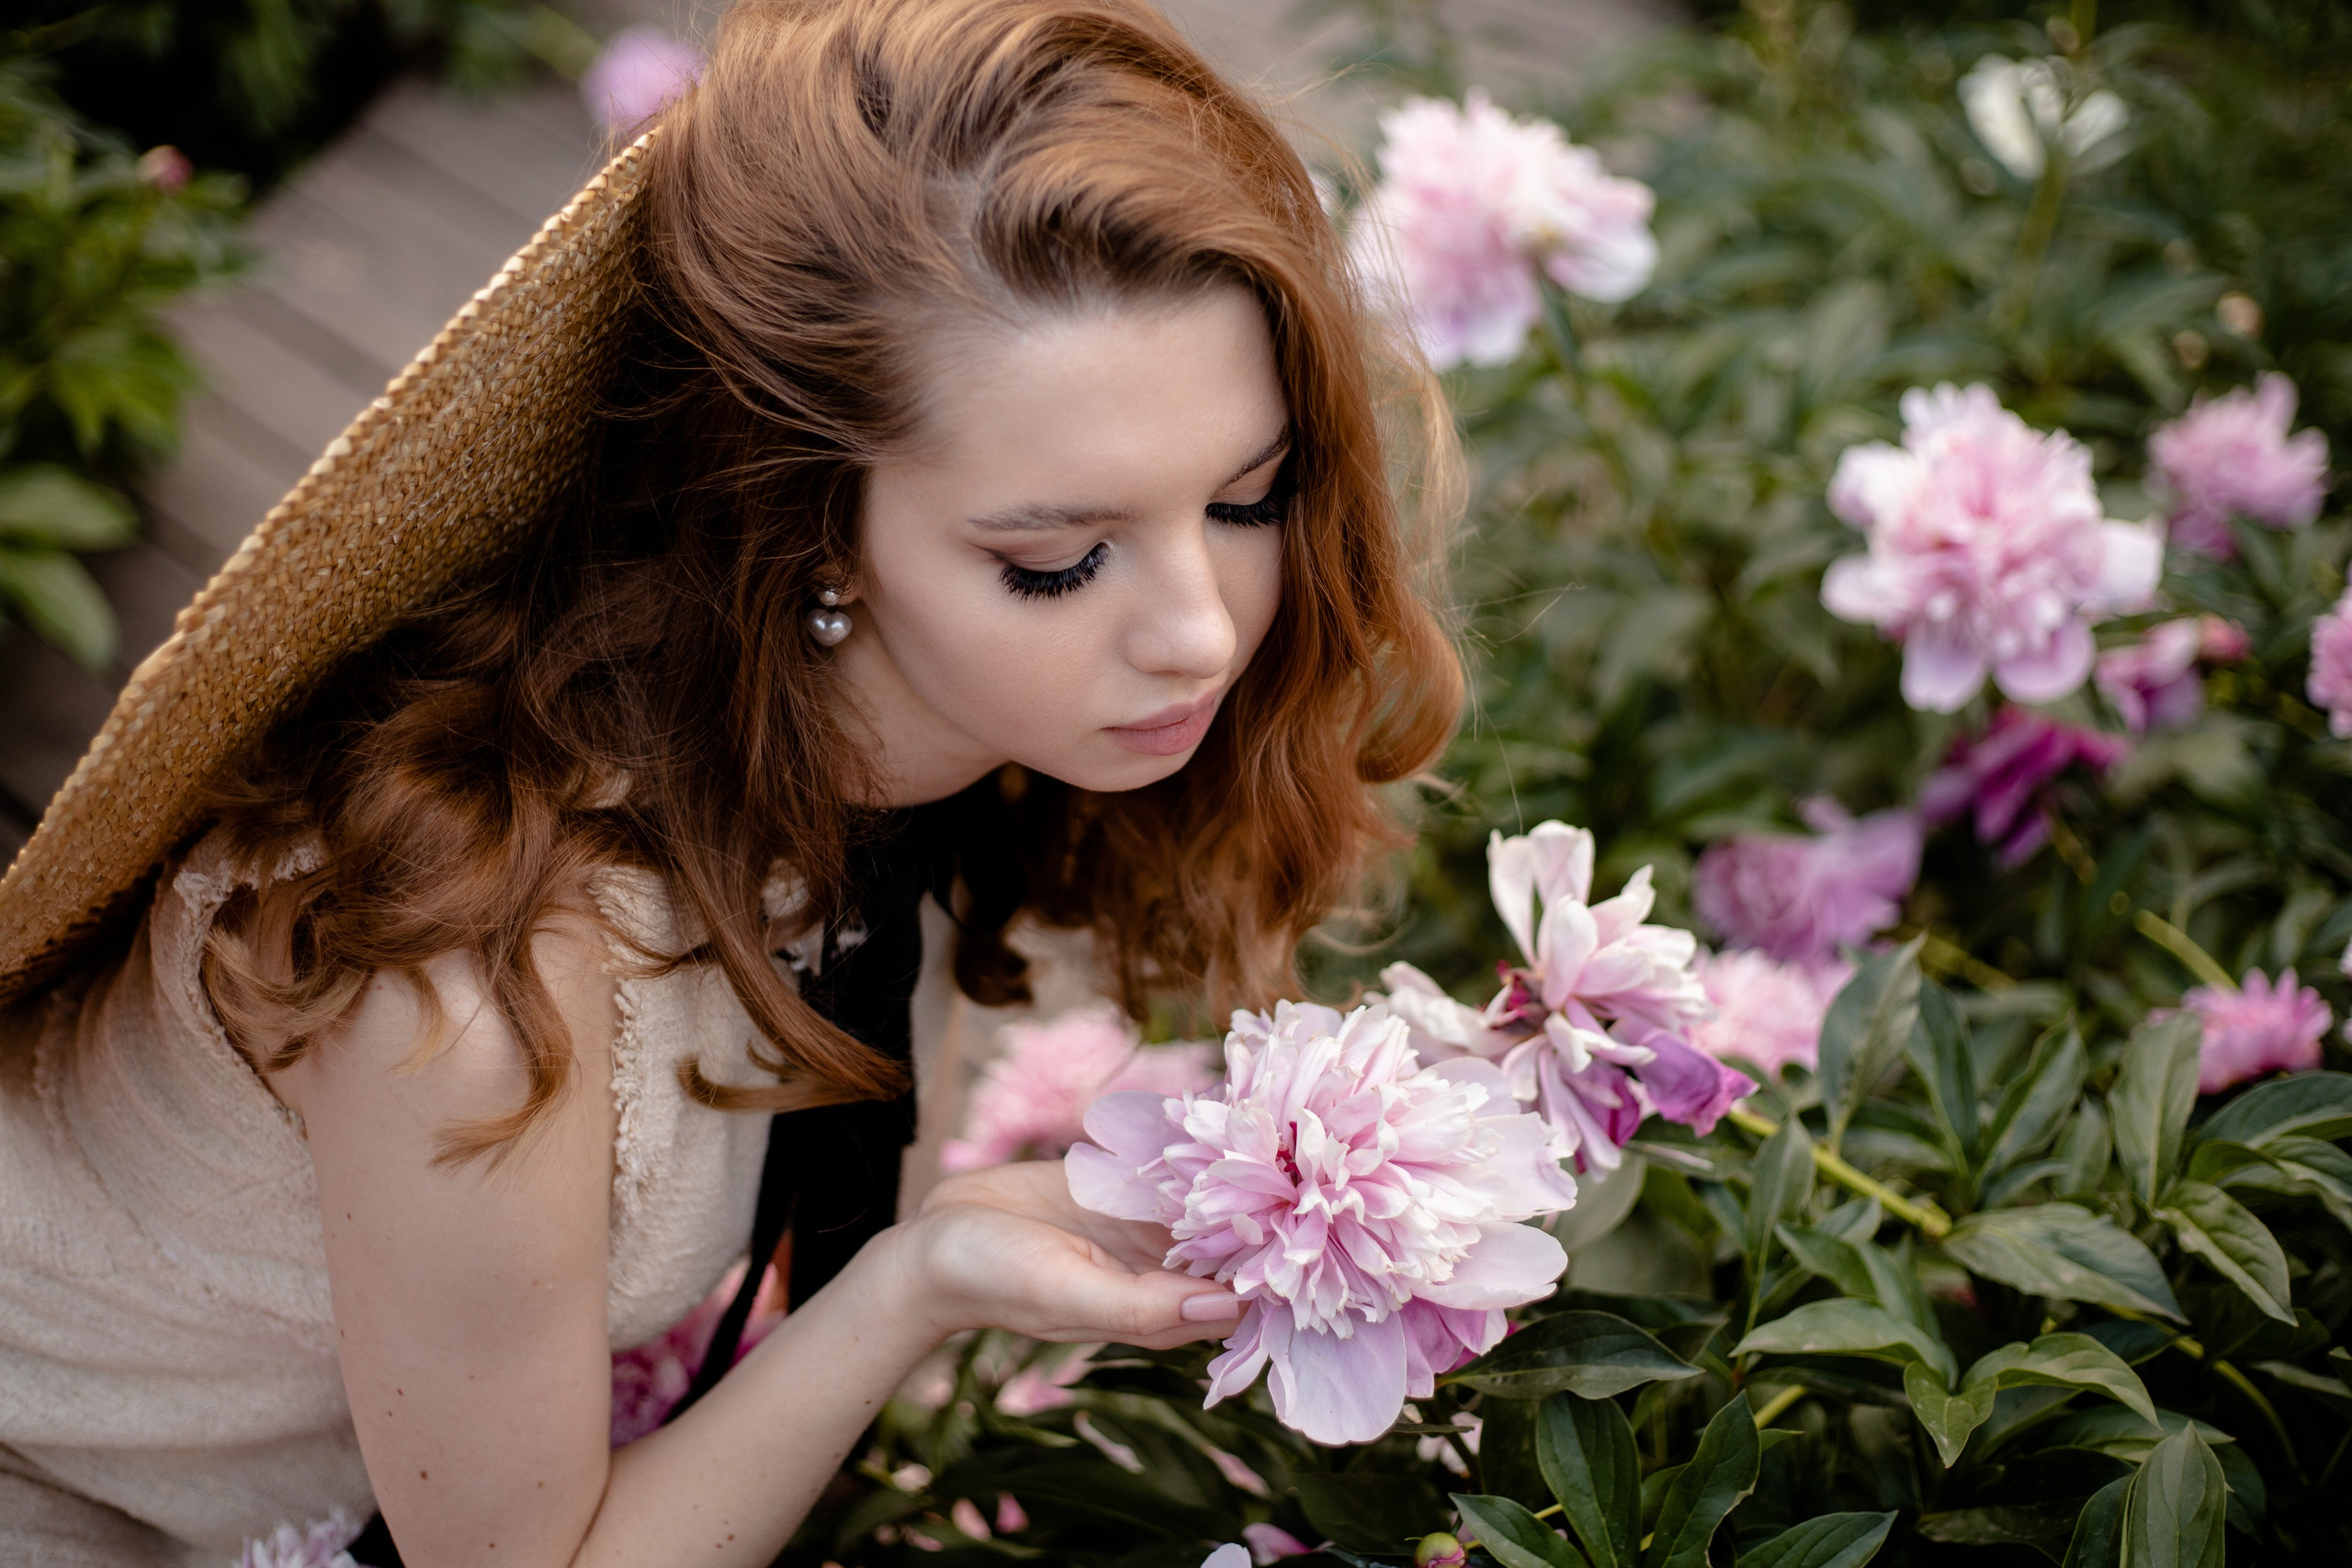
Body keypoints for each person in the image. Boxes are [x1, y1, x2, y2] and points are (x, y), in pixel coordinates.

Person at [0, 0, 1463, 1562]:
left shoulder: (914, 743)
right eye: (1059, 559)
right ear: (808, 523)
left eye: (1251, 497)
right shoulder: (472, 981)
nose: (1201, 630)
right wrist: (921, 1282)